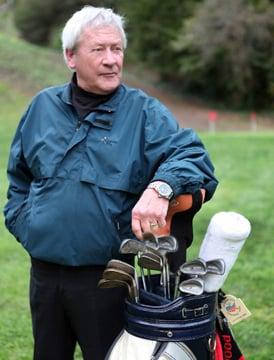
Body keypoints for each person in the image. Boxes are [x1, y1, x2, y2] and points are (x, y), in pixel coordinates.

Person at [3, 5, 218, 360]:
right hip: (43, 275)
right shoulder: (42, 107)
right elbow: (19, 178)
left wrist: (160, 188)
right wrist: (28, 225)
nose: (110, 60)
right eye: (98, 49)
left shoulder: (144, 113)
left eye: (116, 49)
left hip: (107, 280)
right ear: (70, 56)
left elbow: (195, 159)